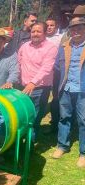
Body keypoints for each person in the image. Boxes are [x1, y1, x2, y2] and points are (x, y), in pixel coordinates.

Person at [51, 17, 85, 168]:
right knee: (64, 118)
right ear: (70, 30)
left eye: (79, 28)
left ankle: (83, 154)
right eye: (73, 28)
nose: (76, 31)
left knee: (83, 121)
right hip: (66, 88)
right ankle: (62, 146)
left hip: (82, 90)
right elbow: (58, 67)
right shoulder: (64, 46)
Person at [18, 22, 58, 139]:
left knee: (34, 118)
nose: (35, 34)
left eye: (39, 31)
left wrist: (33, 82)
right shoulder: (24, 46)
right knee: (22, 116)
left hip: (40, 89)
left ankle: (29, 147)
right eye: (33, 31)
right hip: (23, 87)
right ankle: (21, 142)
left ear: (45, 33)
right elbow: (18, 62)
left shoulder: (51, 48)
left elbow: (46, 68)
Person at [45, 17, 63, 133]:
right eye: (47, 25)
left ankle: (55, 124)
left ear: (56, 27)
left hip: (56, 72)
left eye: (52, 25)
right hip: (45, 73)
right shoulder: (42, 38)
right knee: (44, 97)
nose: (49, 27)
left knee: (56, 98)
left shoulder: (61, 38)